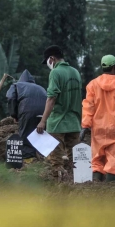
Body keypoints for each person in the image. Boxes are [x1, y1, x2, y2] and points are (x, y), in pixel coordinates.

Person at [80, 55, 115, 182]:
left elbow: (88, 106)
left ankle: (97, 187)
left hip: (98, 128)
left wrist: (85, 125)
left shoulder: (92, 85)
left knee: (97, 158)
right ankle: (110, 190)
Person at [37, 45, 82, 177]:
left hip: (57, 123)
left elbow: (51, 99)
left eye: (47, 62)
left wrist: (42, 121)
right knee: (76, 159)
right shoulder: (75, 72)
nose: (48, 65)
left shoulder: (55, 73)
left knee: (56, 162)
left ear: (52, 59)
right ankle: (80, 183)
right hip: (74, 122)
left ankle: (59, 188)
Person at [6, 70, 46, 162]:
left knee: (25, 135)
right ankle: (42, 158)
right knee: (39, 134)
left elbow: (11, 97)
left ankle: (28, 160)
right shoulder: (41, 88)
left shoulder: (16, 85)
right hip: (43, 113)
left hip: (27, 111)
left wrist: (14, 115)